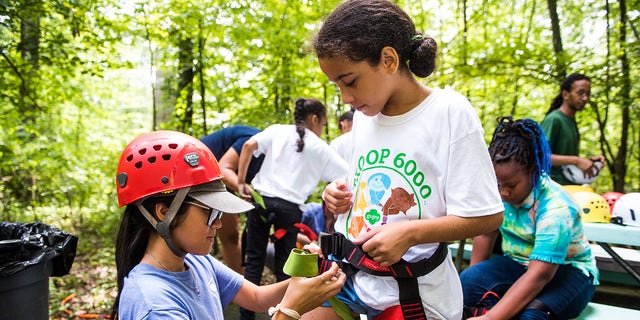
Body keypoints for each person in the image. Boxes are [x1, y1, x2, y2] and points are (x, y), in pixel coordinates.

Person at [307, 1, 504, 319]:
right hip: (348, 278)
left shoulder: (448, 112)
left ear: (388, 60)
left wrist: (411, 234)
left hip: (413, 294)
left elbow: (488, 217)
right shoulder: (364, 117)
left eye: (350, 81)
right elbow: (371, 185)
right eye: (337, 86)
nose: (345, 97)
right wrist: (339, 195)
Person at [110, 130, 345, 320]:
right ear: (164, 212)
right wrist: (289, 311)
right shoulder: (155, 305)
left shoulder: (195, 261)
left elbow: (256, 297)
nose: (219, 223)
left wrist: (306, 277)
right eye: (209, 212)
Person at [460, 117, 598, 320]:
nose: (503, 192)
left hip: (568, 271)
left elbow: (539, 275)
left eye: (511, 185)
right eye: (498, 184)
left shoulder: (556, 208)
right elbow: (486, 234)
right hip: (517, 263)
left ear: (533, 172)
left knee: (531, 316)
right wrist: (473, 289)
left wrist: (491, 317)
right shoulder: (496, 192)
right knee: (467, 285)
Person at [237, 98, 349, 320]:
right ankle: (282, 315)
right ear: (315, 119)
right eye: (323, 124)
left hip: (262, 202)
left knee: (254, 261)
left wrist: (241, 181)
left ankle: (245, 318)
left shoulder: (278, 131)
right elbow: (349, 175)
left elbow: (248, 145)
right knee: (286, 268)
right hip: (290, 211)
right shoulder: (320, 147)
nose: (322, 129)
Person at [200, 125, 265, 273]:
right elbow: (223, 168)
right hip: (200, 173)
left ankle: (240, 286)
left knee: (231, 236)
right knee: (197, 234)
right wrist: (247, 192)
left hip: (221, 184)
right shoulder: (254, 139)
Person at [540, 73, 605, 185]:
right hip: (553, 188)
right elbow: (540, 155)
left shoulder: (570, 121)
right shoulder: (554, 119)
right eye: (580, 93)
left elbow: (564, 158)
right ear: (565, 94)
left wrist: (588, 162)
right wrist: (576, 160)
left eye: (588, 94)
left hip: (570, 186)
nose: (585, 98)